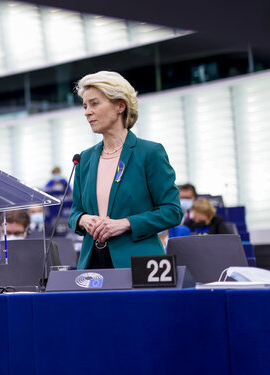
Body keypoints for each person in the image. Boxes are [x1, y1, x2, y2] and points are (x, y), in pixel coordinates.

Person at [67, 71, 183, 269]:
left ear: (120, 106)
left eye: (95, 103)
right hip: (91, 264)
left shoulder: (149, 152)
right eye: (85, 106)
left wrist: (125, 223)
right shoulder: (84, 158)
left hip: (138, 264)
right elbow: (75, 212)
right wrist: (83, 220)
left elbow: (172, 211)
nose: (87, 112)